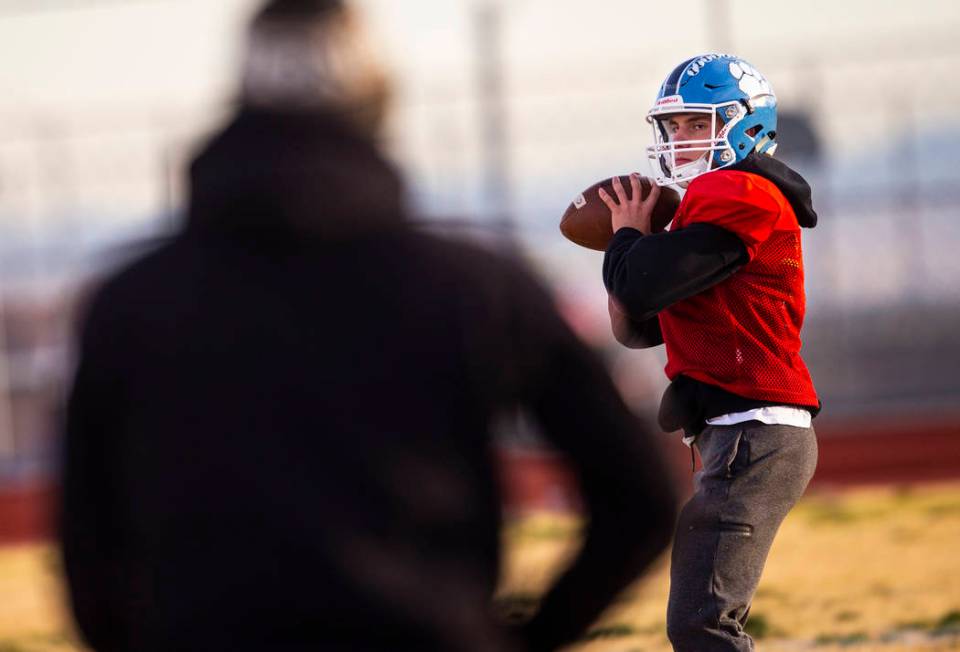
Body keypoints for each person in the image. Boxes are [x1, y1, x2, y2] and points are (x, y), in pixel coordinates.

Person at [58, 2, 678, 651]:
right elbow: (638, 496)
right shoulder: (476, 289)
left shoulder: (128, 306)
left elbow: (89, 543)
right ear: (379, 105)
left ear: (238, 104)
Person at [599, 53, 820, 651]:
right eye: (672, 127)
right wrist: (630, 267)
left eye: (698, 123)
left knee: (701, 623)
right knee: (701, 618)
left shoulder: (741, 188)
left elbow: (639, 285)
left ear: (746, 124)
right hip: (738, 432)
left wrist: (625, 237)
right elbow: (643, 322)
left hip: (754, 431)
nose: (680, 139)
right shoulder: (716, 201)